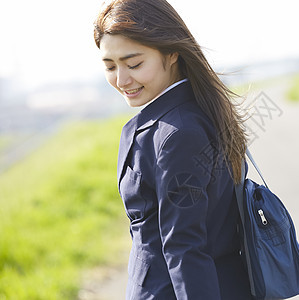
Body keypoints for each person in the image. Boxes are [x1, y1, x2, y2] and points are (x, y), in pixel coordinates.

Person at [93, 0, 251, 299]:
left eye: (134, 63)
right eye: (110, 66)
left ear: (172, 52)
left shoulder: (178, 133)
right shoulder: (189, 113)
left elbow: (185, 246)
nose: (122, 80)